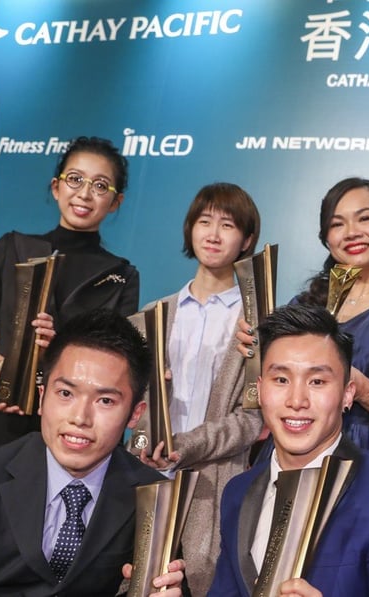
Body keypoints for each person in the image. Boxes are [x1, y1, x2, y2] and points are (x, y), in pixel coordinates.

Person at [0, 309, 186, 596]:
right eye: (66, 394)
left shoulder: (152, 497)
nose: (80, 418)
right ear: (42, 397)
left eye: (105, 401)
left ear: (135, 414)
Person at [210, 304, 369, 596]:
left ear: (347, 394)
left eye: (317, 381)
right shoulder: (238, 491)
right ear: (259, 389)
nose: (297, 400)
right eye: (281, 380)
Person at [0, 136, 141, 473]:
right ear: (56, 187)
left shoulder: (121, 275)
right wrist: (7, 369)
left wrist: (59, 346)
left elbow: (114, 365)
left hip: (68, 430)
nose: (84, 193)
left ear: (115, 202)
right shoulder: (13, 249)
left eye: (100, 185)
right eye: (75, 179)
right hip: (0, 416)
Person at [242, 177, 369, 465]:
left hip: (360, 457)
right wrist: (254, 353)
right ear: (326, 237)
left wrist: (361, 387)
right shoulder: (303, 305)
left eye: (364, 218)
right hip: (287, 452)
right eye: (337, 224)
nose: (352, 232)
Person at [133, 182, 263, 595]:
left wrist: (185, 446)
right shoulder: (151, 317)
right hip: (146, 476)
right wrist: (143, 436)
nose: (213, 234)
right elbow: (127, 405)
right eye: (205, 221)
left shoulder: (257, 323)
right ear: (190, 229)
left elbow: (252, 418)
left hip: (215, 481)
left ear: (247, 240)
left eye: (228, 225)